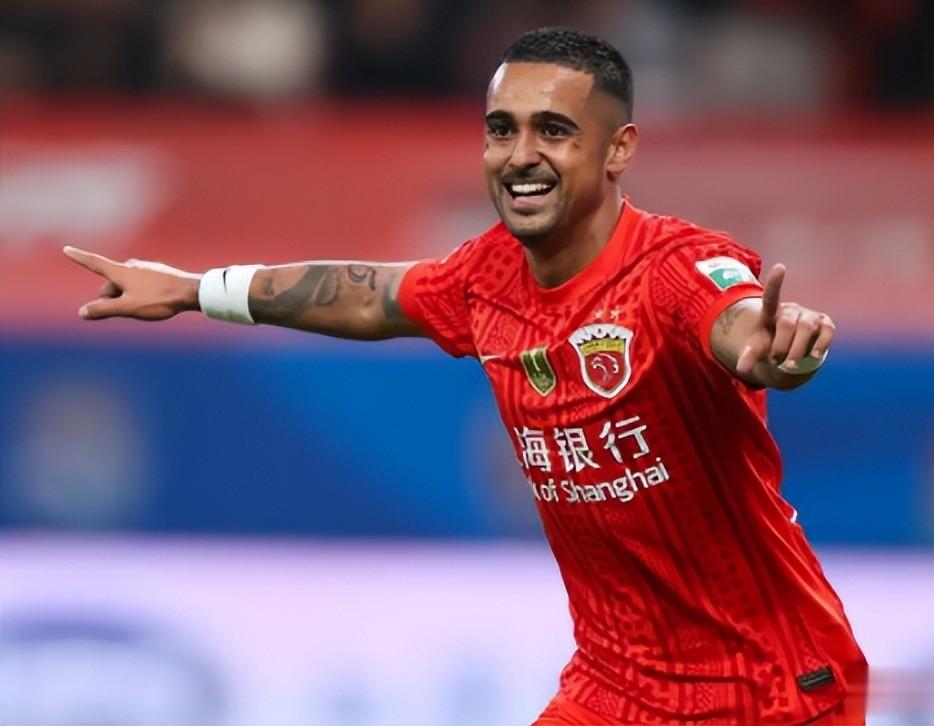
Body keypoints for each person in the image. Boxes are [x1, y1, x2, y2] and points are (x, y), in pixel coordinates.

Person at [64, 27, 867, 726]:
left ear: (619, 149)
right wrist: (195, 290)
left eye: (555, 131)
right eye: (501, 130)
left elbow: (740, 324)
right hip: (617, 686)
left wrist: (778, 348)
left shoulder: (675, 268)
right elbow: (367, 295)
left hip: (770, 688)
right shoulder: (487, 277)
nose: (521, 156)